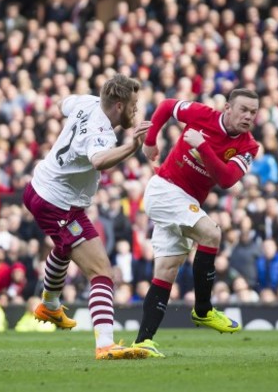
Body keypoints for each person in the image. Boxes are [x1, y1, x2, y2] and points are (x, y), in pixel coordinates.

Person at [23, 73, 152, 360]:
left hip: (39, 187)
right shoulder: (102, 132)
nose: (135, 109)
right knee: (101, 271)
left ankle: (50, 304)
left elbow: (62, 104)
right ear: (118, 105)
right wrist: (132, 147)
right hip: (57, 203)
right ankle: (105, 345)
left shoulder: (87, 102)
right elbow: (98, 160)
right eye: (132, 104)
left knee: (64, 246)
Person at [131, 89, 260, 357]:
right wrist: (151, 142)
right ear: (227, 108)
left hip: (185, 201)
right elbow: (166, 105)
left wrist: (201, 146)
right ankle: (203, 310)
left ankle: (143, 341)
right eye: (243, 109)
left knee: (167, 269)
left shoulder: (249, 146)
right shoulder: (203, 115)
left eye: (253, 112)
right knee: (211, 234)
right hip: (166, 189)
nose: (248, 116)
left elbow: (226, 180)